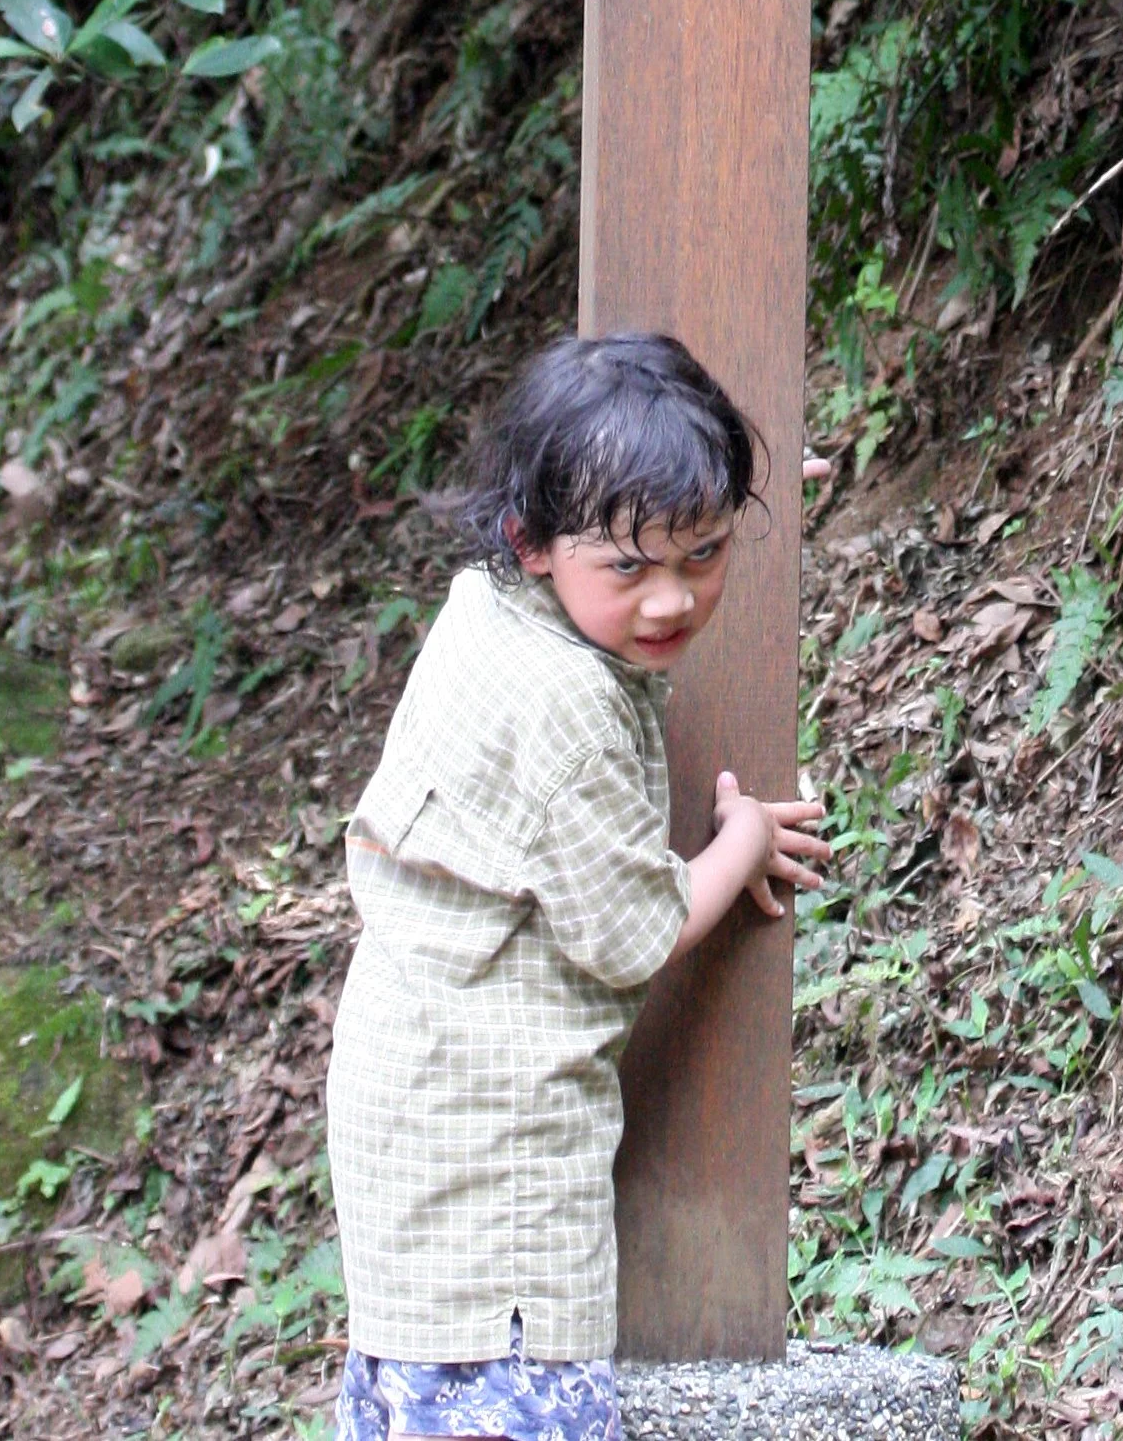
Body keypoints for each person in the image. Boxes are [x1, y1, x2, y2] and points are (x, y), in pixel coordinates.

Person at [326, 331, 828, 1441]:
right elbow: (628, 931)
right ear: (534, 540)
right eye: (630, 567)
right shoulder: (560, 707)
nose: (670, 600)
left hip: (411, 1108)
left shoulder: (489, 605)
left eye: (701, 552)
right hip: (482, 1171)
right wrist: (742, 839)